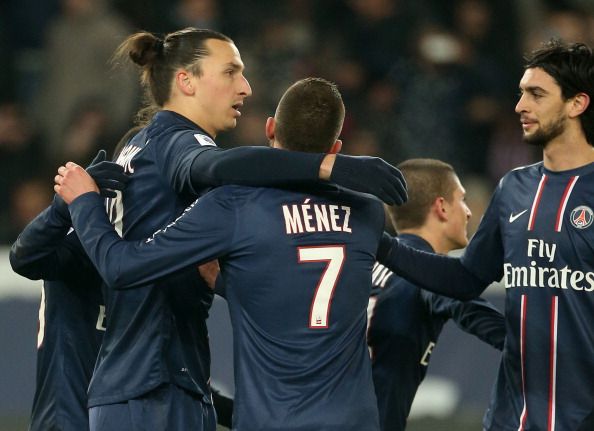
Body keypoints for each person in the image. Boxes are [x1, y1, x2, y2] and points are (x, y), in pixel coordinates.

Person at [44, 27, 406, 431]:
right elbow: (211, 168)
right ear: (187, 80)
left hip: (155, 378)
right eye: (231, 72)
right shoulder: (178, 141)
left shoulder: (141, 144)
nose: (246, 87)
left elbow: (31, 256)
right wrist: (327, 167)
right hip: (152, 386)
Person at [376, 40, 594, 430]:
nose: (520, 106)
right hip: (512, 416)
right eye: (521, 93)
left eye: (536, 94)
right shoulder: (514, 189)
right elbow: (464, 279)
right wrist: (380, 245)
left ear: (577, 104)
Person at [366, 158, 505, 431]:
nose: (468, 212)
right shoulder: (429, 278)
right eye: (462, 200)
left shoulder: (365, 264)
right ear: (441, 207)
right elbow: (472, 311)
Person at [9, 151, 128, 431]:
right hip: (68, 419)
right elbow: (25, 258)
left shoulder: (152, 254)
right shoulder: (83, 243)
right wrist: (61, 211)